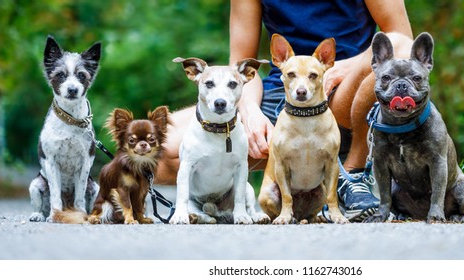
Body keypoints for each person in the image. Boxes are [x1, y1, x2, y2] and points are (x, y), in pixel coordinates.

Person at [156, 0, 415, 222]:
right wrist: (248, 110)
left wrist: (348, 67)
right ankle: (214, 206)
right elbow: (242, 62)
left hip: (345, 87)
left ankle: (354, 172)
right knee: (161, 150)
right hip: (282, 94)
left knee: (399, 48)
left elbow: (402, 37)